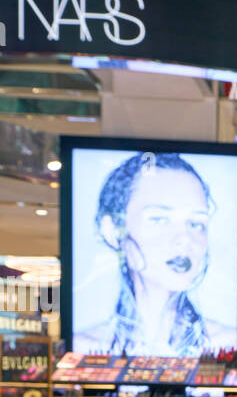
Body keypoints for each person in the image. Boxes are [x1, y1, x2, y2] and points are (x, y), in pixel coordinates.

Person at [90, 152, 213, 357]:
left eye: (196, 224)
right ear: (112, 229)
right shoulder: (88, 346)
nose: (184, 238)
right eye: (159, 219)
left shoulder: (223, 342)